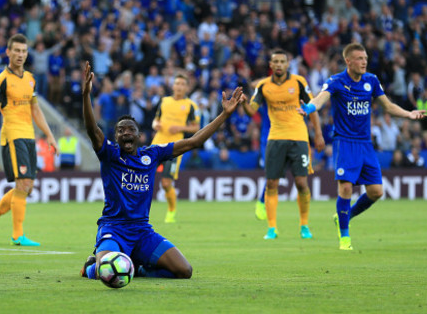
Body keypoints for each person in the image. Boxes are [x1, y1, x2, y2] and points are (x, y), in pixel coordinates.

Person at [80, 61, 245, 280]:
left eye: (131, 130)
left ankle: (138, 269)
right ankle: (90, 267)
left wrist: (224, 115)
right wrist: (85, 96)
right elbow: (92, 130)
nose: (126, 133)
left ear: (139, 136)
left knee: (184, 271)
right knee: (106, 271)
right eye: (121, 131)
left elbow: (194, 141)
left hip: (142, 231)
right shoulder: (110, 154)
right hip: (114, 229)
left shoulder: (152, 155)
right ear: (116, 136)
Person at [299, 42, 426, 251]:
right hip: (345, 142)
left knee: (376, 192)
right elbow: (320, 100)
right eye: (359, 58)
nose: (364, 62)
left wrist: (409, 114)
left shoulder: (372, 81)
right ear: (348, 61)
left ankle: (344, 216)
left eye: (365, 58)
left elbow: (387, 105)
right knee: (346, 187)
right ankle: (345, 238)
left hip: (365, 144)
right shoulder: (336, 81)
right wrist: (309, 107)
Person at [0, 34, 58, 247]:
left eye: (23, 51)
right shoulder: (1, 80)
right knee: (23, 184)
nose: (20, 55)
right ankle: (17, 235)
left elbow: (36, 109)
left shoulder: (30, 78)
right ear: (8, 52)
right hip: (13, 136)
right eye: (17, 51)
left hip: (29, 136)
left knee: (27, 187)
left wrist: (49, 135)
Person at [243, 49, 325, 240]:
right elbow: (251, 110)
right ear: (270, 66)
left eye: (282, 61)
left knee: (301, 183)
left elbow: (312, 108)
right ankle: (272, 228)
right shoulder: (263, 86)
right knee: (272, 183)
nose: (279, 65)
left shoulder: (299, 82)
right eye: (275, 62)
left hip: (299, 138)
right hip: (275, 138)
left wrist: (318, 134)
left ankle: (304, 225)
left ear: (288, 64)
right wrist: (243, 102)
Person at [150, 73, 201, 223]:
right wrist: (155, 125)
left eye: (182, 84)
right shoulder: (164, 101)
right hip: (157, 144)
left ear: (186, 87)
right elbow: (156, 119)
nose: (179, 86)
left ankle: (171, 210)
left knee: (166, 183)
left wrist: (180, 127)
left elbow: (196, 127)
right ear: (173, 86)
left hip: (174, 149)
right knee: (143, 175)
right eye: (177, 83)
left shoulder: (191, 105)